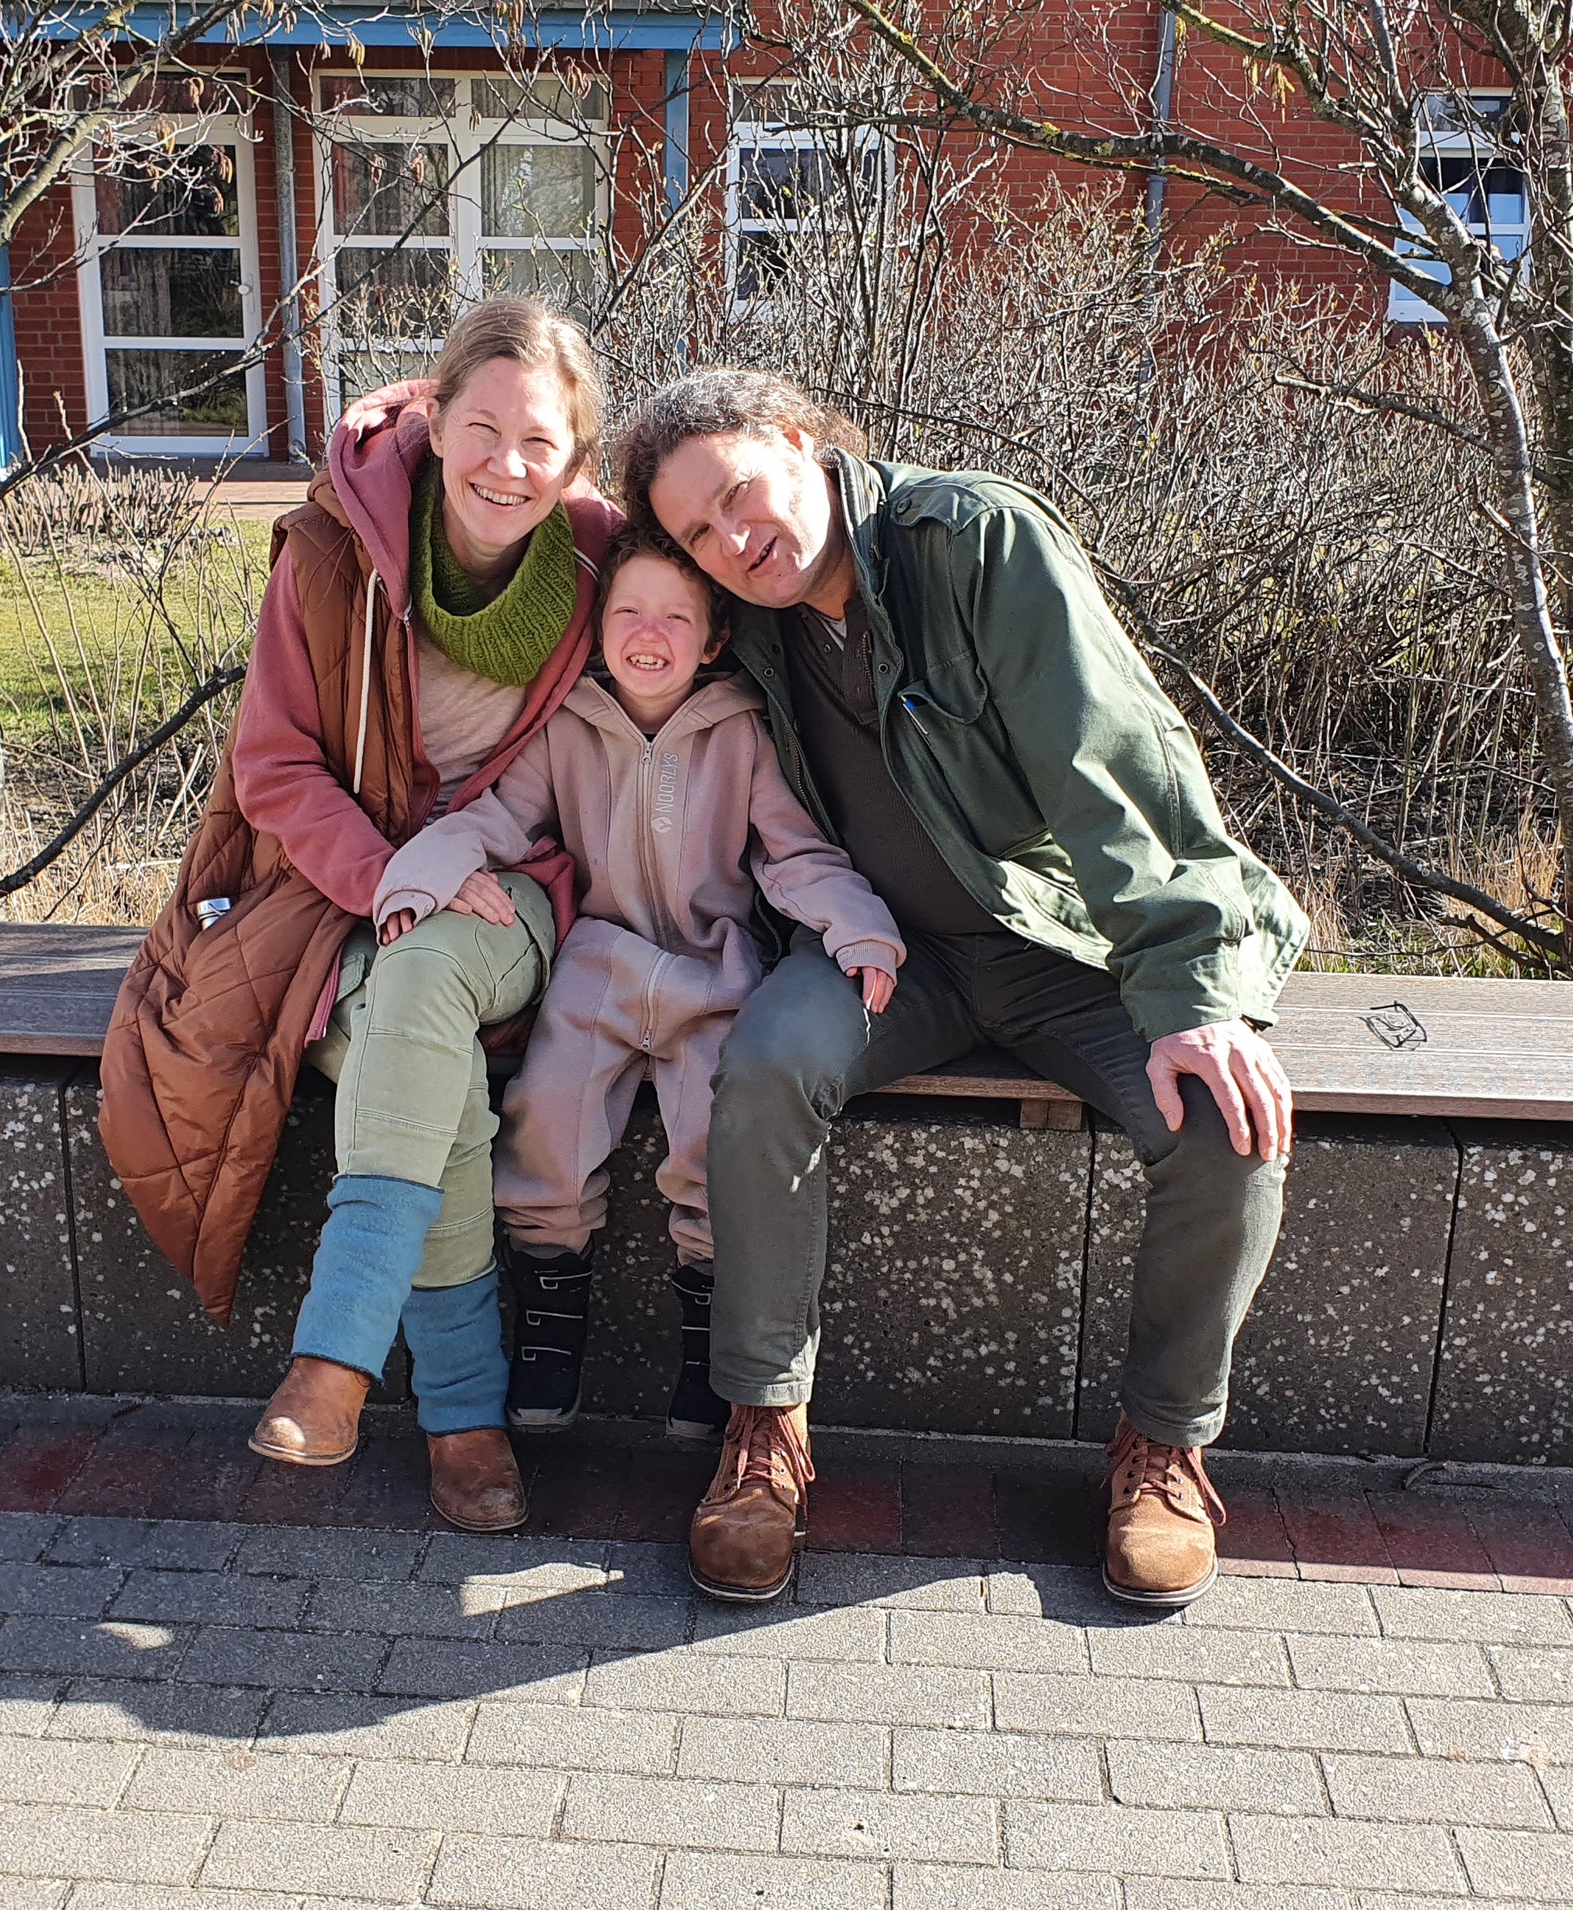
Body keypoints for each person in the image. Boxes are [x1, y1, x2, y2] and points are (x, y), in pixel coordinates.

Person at [616, 370, 1308, 1608]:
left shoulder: (973, 541)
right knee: (763, 1067)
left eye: (739, 494)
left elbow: (1117, 769)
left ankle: (1162, 1449)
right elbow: (530, 513)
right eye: (700, 533)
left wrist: (1190, 991)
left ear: (797, 438)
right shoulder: (750, 617)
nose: (734, 541)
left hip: (1066, 942)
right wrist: (399, 430)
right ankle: (765, 1432)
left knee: (1224, 1119)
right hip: (887, 954)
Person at [101, 298, 617, 1536]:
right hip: (338, 889)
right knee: (427, 1062)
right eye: (482, 429)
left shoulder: (603, 565)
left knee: (431, 978)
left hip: (515, 880)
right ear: (435, 420)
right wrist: (391, 876)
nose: (507, 465)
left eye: (539, 442)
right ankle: (464, 1418)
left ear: (574, 460)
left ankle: (333, 1361)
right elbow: (274, 767)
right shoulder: (336, 552)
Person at [371, 526, 904, 1441]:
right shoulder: (569, 725)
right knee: (547, 1123)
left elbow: (794, 852)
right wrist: (422, 873)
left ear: (715, 638)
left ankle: (707, 1347)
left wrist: (857, 927)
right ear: (599, 625)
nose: (648, 634)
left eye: (675, 618)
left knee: (712, 1144)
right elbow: (496, 817)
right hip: (598, 971)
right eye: (628, 612)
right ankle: (551, 1329)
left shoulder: (741, 732)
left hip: (713, 977)